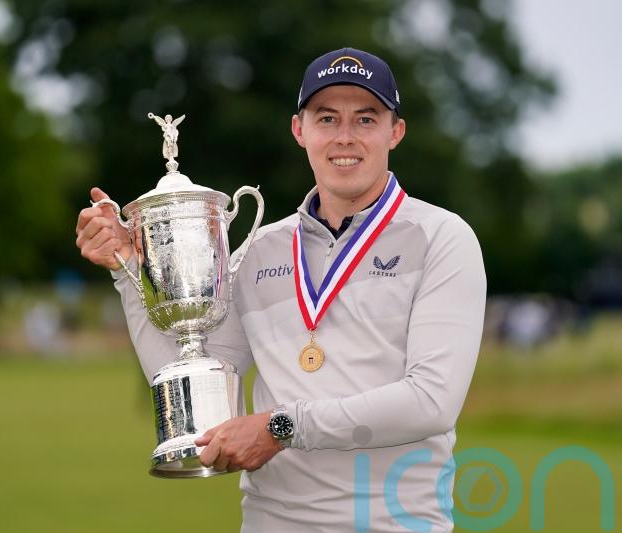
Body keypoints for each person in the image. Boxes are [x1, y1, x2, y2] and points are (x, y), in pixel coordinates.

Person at [76, 47, 486, 533]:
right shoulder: (260, 250)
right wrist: (129, 271)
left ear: (395, 132)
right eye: (327, 118)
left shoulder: (442, 236)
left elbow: (431, 402)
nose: (345, 137)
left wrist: (280, 428)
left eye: (366, 119)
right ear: (300, 130)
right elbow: (185, 379)